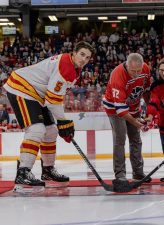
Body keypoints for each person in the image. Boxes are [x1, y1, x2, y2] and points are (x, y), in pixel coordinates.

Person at [3, 41, 95, 190]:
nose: (84, 59)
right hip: (22, 88)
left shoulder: (73, 67)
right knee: (36, 129)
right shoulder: (66, 67)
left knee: (51, 131)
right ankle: (23, 172)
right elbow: (53, 100)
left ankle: (48, 170)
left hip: (38, 94)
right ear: (74, 52)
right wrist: (63, 122)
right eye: (82, 54)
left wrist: (62, 123)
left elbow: (54, 97)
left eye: (88, 57)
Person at [103, 53, 152, 183]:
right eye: (133, 71)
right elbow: (120, 110)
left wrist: (150, 111)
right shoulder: (117, 75)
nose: (136, 74)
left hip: (134, 106)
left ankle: (138, 172)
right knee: (120, 139)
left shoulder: (146, 69)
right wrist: (136, 123)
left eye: (138, 70)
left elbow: (147, 91)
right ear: (126, 64)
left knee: (136, 139)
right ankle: (120, 174)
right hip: (114, 108)